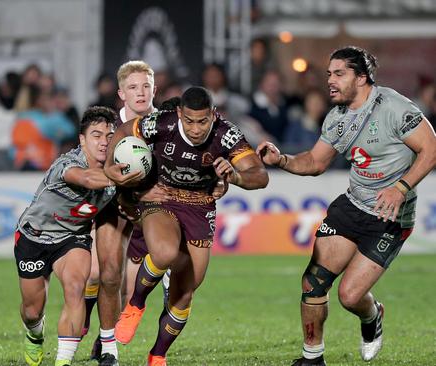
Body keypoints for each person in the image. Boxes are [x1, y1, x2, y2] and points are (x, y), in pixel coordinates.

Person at [256, 46, 436, 366]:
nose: (331, 81)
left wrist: (401, 187)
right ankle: (313, 358)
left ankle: (372, 315)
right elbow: (314, 161)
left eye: (339, 74)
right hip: (352, 206)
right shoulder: (337, 117)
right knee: (313, 281)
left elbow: (431, 149)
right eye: (329, 74)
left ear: (362, 77)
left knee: (350, 297)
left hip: (390, 216)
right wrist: (281, 159)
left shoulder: (393, 107)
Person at [107, 86, 269, 365]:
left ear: (213, 115)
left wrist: (235, 178)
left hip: (200, 205)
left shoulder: (226, 134)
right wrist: (110, 165)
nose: (196, 129)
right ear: (179, 114)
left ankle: (157, 354)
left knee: (185, 293)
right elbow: (123, 131)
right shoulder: (162, 123)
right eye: (189, 121)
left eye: (203, 121)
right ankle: (136, 304)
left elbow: (259, 174)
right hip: (162, 197)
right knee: (165, 252)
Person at [15, 106, 134, 366]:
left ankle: (63, 362)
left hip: (72, 239)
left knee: (75, 287)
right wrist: (113, 177)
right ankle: (34, 334)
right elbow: (86, 179)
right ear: (82, 139)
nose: (103, 142)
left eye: (109, 135)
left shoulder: (117, 170)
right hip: (34, 237)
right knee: (32, 310)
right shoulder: (67, 164)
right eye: (96, 135)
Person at [84, 60, 168, 366]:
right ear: (121, 93)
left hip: (149, 213)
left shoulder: (165, 124)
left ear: (154, 89)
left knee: (127, 291)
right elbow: (91, 165)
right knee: (99, 273)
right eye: (133, 87)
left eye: (146, 86)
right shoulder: (108, 126)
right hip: (111, 205)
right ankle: (87, 320)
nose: (141, 93)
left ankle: (104, 342)